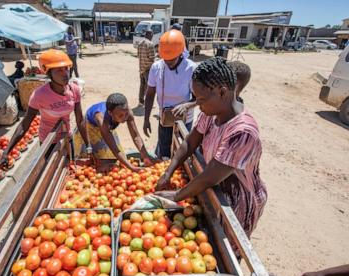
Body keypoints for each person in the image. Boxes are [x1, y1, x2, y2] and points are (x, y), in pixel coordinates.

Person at [155, 57, 267, 239]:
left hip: (236, 201)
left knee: (230, 246)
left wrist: (175, 196)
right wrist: (168, 172)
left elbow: (209, 177)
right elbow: (190, 143)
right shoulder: (212, 113)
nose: (197, 104)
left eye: (200, 99)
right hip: (214, 192)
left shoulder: (243, 132)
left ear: (222, 92)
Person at [0, 49, 92, 169]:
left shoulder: (74, 89)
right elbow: (24, 125)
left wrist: (88, 145)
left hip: (67, 138)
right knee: (51, 170)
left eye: (66, 69)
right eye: (59, 70)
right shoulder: (39, 95)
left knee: (69, 168)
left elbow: (80, 120)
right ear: (48, 73)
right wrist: (7, 152)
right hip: (48, 141)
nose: (65, 74)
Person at [143, 30, 197, 159]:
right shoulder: (156, 67)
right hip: (165, 120)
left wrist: (187, 105)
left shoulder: (191, 69)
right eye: (165, 59)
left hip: (184, 121)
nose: (168, 62)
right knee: (164, 153)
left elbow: (200, 99)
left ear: (180, 53)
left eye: (172, 59)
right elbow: (150, 94)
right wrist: (146, 120)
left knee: (180, 154)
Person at [74, 93, 153, 172]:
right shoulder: (101, 118)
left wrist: (145, 156)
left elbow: (136, 136)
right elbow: (114, 149)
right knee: (96, 163)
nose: (125, 117)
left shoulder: (127, 111)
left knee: (117, 160)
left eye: (126, 114)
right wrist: (131, 167)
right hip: (90, 129)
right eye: (120, 116)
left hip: (107, 129)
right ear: (110, 113)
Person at [137, 29, 155, 107]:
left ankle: (141, 101)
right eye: (152, 35)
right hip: (148, 69)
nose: (152, 37)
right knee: (149, 87)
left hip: (141, 68)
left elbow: (138, 55)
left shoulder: (140, 43)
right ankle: (148, 103)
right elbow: (152, 58)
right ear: (150, 34)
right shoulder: (150, 44)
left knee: (142, 85)